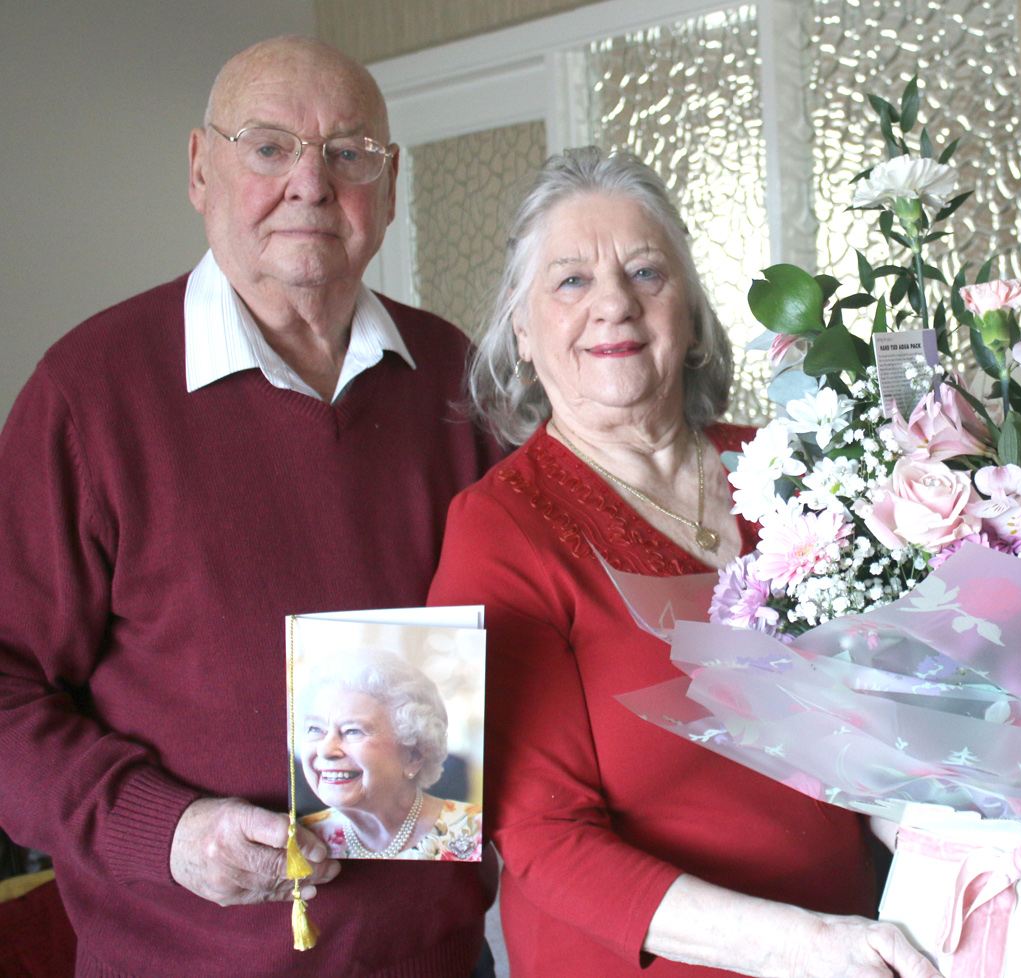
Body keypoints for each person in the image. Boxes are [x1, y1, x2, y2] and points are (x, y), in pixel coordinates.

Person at [0, 35, 503, 978]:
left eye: (349, 154)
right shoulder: (89, 394)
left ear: (387, 191)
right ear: (201, 168)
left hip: (442, 961)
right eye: (269, 146)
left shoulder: (457, 379)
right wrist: (170, 831)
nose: (311, 184)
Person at [427, 147, 938, 978]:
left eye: (645, 272)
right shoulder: (498, 530)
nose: (614, 306)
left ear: (691, 312)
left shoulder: (791, 468)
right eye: (570, 282)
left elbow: (891, 715)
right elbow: (544, 842)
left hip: (870, 949)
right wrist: (808, 947)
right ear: (522, 330)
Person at [299, 650, 482, 862]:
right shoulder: (304, 839)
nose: (325, 750)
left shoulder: (474, 831)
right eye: (315, 729)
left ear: (413, 756)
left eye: (353, 731)